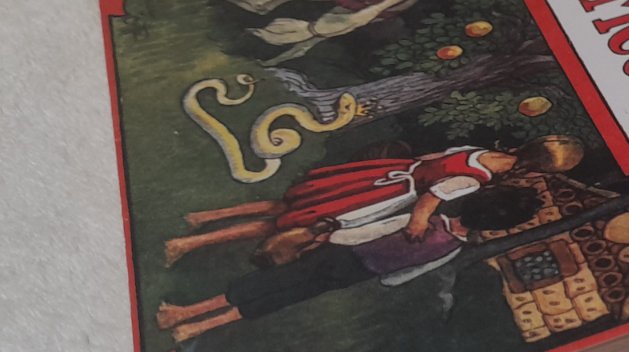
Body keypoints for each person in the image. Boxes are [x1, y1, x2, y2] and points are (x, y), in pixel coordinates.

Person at [157, 186, 544, 342]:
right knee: (282, 296)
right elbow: (409, 273)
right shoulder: (452, 248)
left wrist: (335, 237)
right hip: (357, 273)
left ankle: (186, 315)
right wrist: (386, 279)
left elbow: (372, 230)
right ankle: (194, 327)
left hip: (342, 255)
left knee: (270, 285)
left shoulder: (425, 222)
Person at [164, 135, 584, 265]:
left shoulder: (482, 153)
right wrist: (417, 225)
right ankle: (188, 244)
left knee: (290, 204)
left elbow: (432, 158)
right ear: (536, 169)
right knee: (296, 225)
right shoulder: (477, 179)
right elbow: (430, 199)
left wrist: (405, 172)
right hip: (389, 194)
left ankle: (205, 216)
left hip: (386, 175)